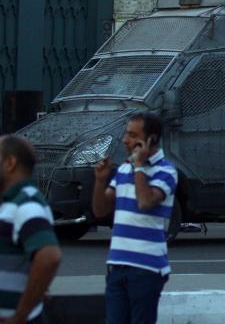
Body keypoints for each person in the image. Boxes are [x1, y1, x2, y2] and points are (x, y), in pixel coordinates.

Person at [93, 112, 178, 324]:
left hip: (146, 268)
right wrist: (100, 181)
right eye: (126, 134)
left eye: (132, 135)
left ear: (152, 139)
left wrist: (139, 166)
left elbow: (145, 202)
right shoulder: (123, 169)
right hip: (117, 265)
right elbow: (100, 210)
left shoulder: (166, 171)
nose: (125, 140)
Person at [0, 136, 61, 324]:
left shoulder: (27, 203)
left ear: (10, 163)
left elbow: (49, 257)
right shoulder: (10, 202)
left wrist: (20, 316)